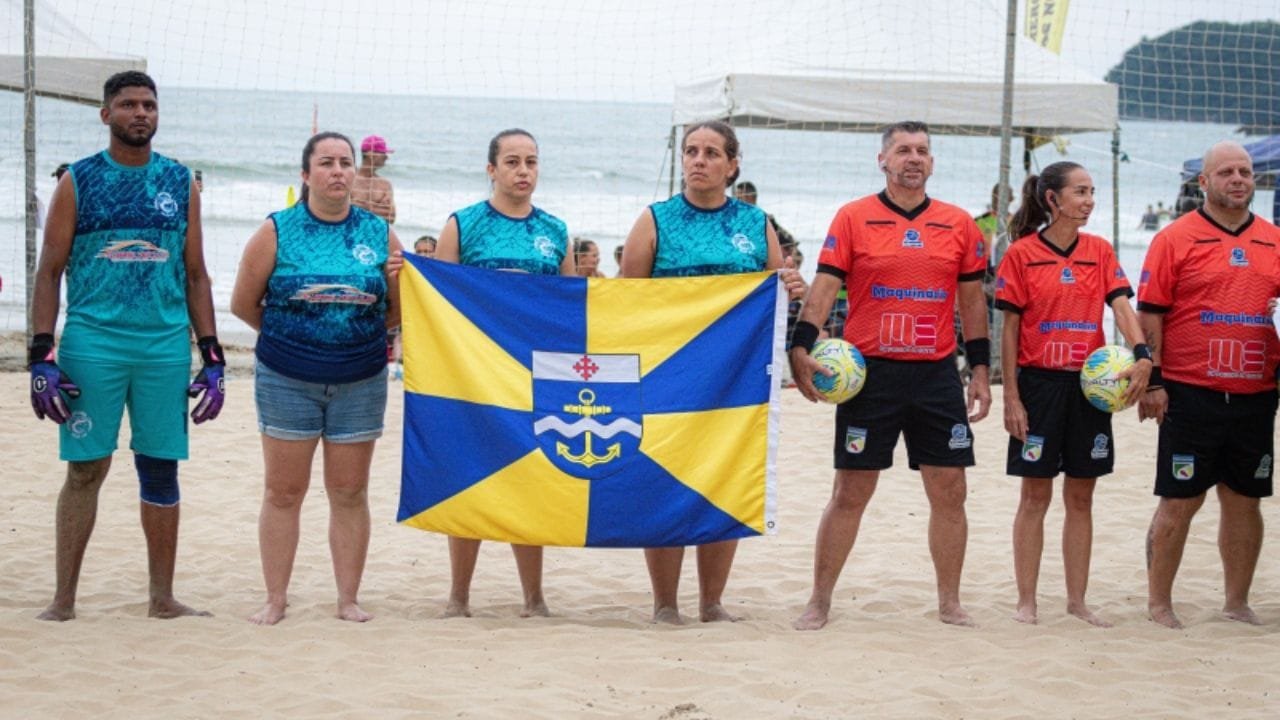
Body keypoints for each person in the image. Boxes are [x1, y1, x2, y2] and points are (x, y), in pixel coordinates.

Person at [29, 70, 223, 621]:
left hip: (163, 347)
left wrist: (212, 356)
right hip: (93, 345)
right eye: (128, 104)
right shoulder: (80, 181)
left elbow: (196, 276)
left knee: (161, 468)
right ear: (106, 114)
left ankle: (162, 598)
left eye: (149, 104)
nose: (140, 113)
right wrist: (41, 355)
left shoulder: (180, 181)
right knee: (86, 469)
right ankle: (63, 600)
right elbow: (49, 272)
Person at [788, 120, 992, 630]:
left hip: (936, 375)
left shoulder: (959, 223)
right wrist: (800, 344)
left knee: (950, 491)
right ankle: (819, 600)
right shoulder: (854, 217)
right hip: (869, 376)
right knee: (851, 491)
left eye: (923, 150)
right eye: (903, 150)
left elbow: (972, 303)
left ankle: (949, 601)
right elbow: (825, 285)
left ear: (932, 162)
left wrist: (982, 372)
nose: (914, 158)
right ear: (883, 160)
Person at [622, 121, 805, 624]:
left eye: (710, 153)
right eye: (690, 151)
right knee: (665, 483)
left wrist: (789, 282)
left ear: (732, 164)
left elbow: (775, 293)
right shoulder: (654, 220)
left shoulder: (756, 222)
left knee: (725, 478)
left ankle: (711, 602)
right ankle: (664, 603)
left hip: (736, 379)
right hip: (667, 377)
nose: (698, 160)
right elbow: (624, 302)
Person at [230, 131, 404, 625]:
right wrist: (295, 341)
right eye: (326, 162)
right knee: (284, 492)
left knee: (349, 492)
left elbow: (397, 313)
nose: (338, 171)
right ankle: (276, 599)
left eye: (346, 163)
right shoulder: (277, 230)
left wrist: (398, 281)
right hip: (287, 378)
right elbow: (243, 303)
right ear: (305, 175)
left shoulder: (380, 234)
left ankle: (347, 599)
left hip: (361, 378)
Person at [996, 162, 1152, 627]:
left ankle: (1077, 601)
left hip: (1091, 389)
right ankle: (1027, 601)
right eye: (1079, 192)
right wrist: (1012, 397)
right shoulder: (1021, 254)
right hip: (1039, 386)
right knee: (1035, 496)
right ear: (1052, 199)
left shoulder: (1099, 251)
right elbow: (1009, 331)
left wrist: (1142, 352)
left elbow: (1122, 307)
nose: (1088, 200)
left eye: (1092, 192)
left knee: (1081, 498)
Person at [1137, 141, 1280, 629]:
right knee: (1180, 501)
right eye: (1226, 172)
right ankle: (1160, 603)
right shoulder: (1175, 238)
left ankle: (1236, 602)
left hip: (1258, 393)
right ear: (1204, 182)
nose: (1238, 178)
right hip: (1190, 389)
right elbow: (1150, 312)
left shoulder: (1274, 239)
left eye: (1244, 171)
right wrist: (1152, 380)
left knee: (1244, 499)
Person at [434, 128, 572, 618]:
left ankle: (534, 597)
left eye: (531, 162)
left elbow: (570, 306)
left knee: (530, 481)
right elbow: (439, 301)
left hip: (534, 373)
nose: (523, 171)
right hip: (472, 373)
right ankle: (458, 596)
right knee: (469, 479)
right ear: (491, 169)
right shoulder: (464, 225)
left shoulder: (555, 231)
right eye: (512, 162)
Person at [734, 180, 797, 251]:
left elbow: (792, 247)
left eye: (738, 198)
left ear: (750, 198)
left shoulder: (765, 220)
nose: (735, 201)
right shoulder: (734, 220)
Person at [352, 134, 396, 223]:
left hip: (376, 235)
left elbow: (391, 217)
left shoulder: (385, 184)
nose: (386, 157)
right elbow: (340, 212)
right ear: (370, 154)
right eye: (383, 153)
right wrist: (377, 207)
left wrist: (358, 205)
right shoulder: (349, 179)